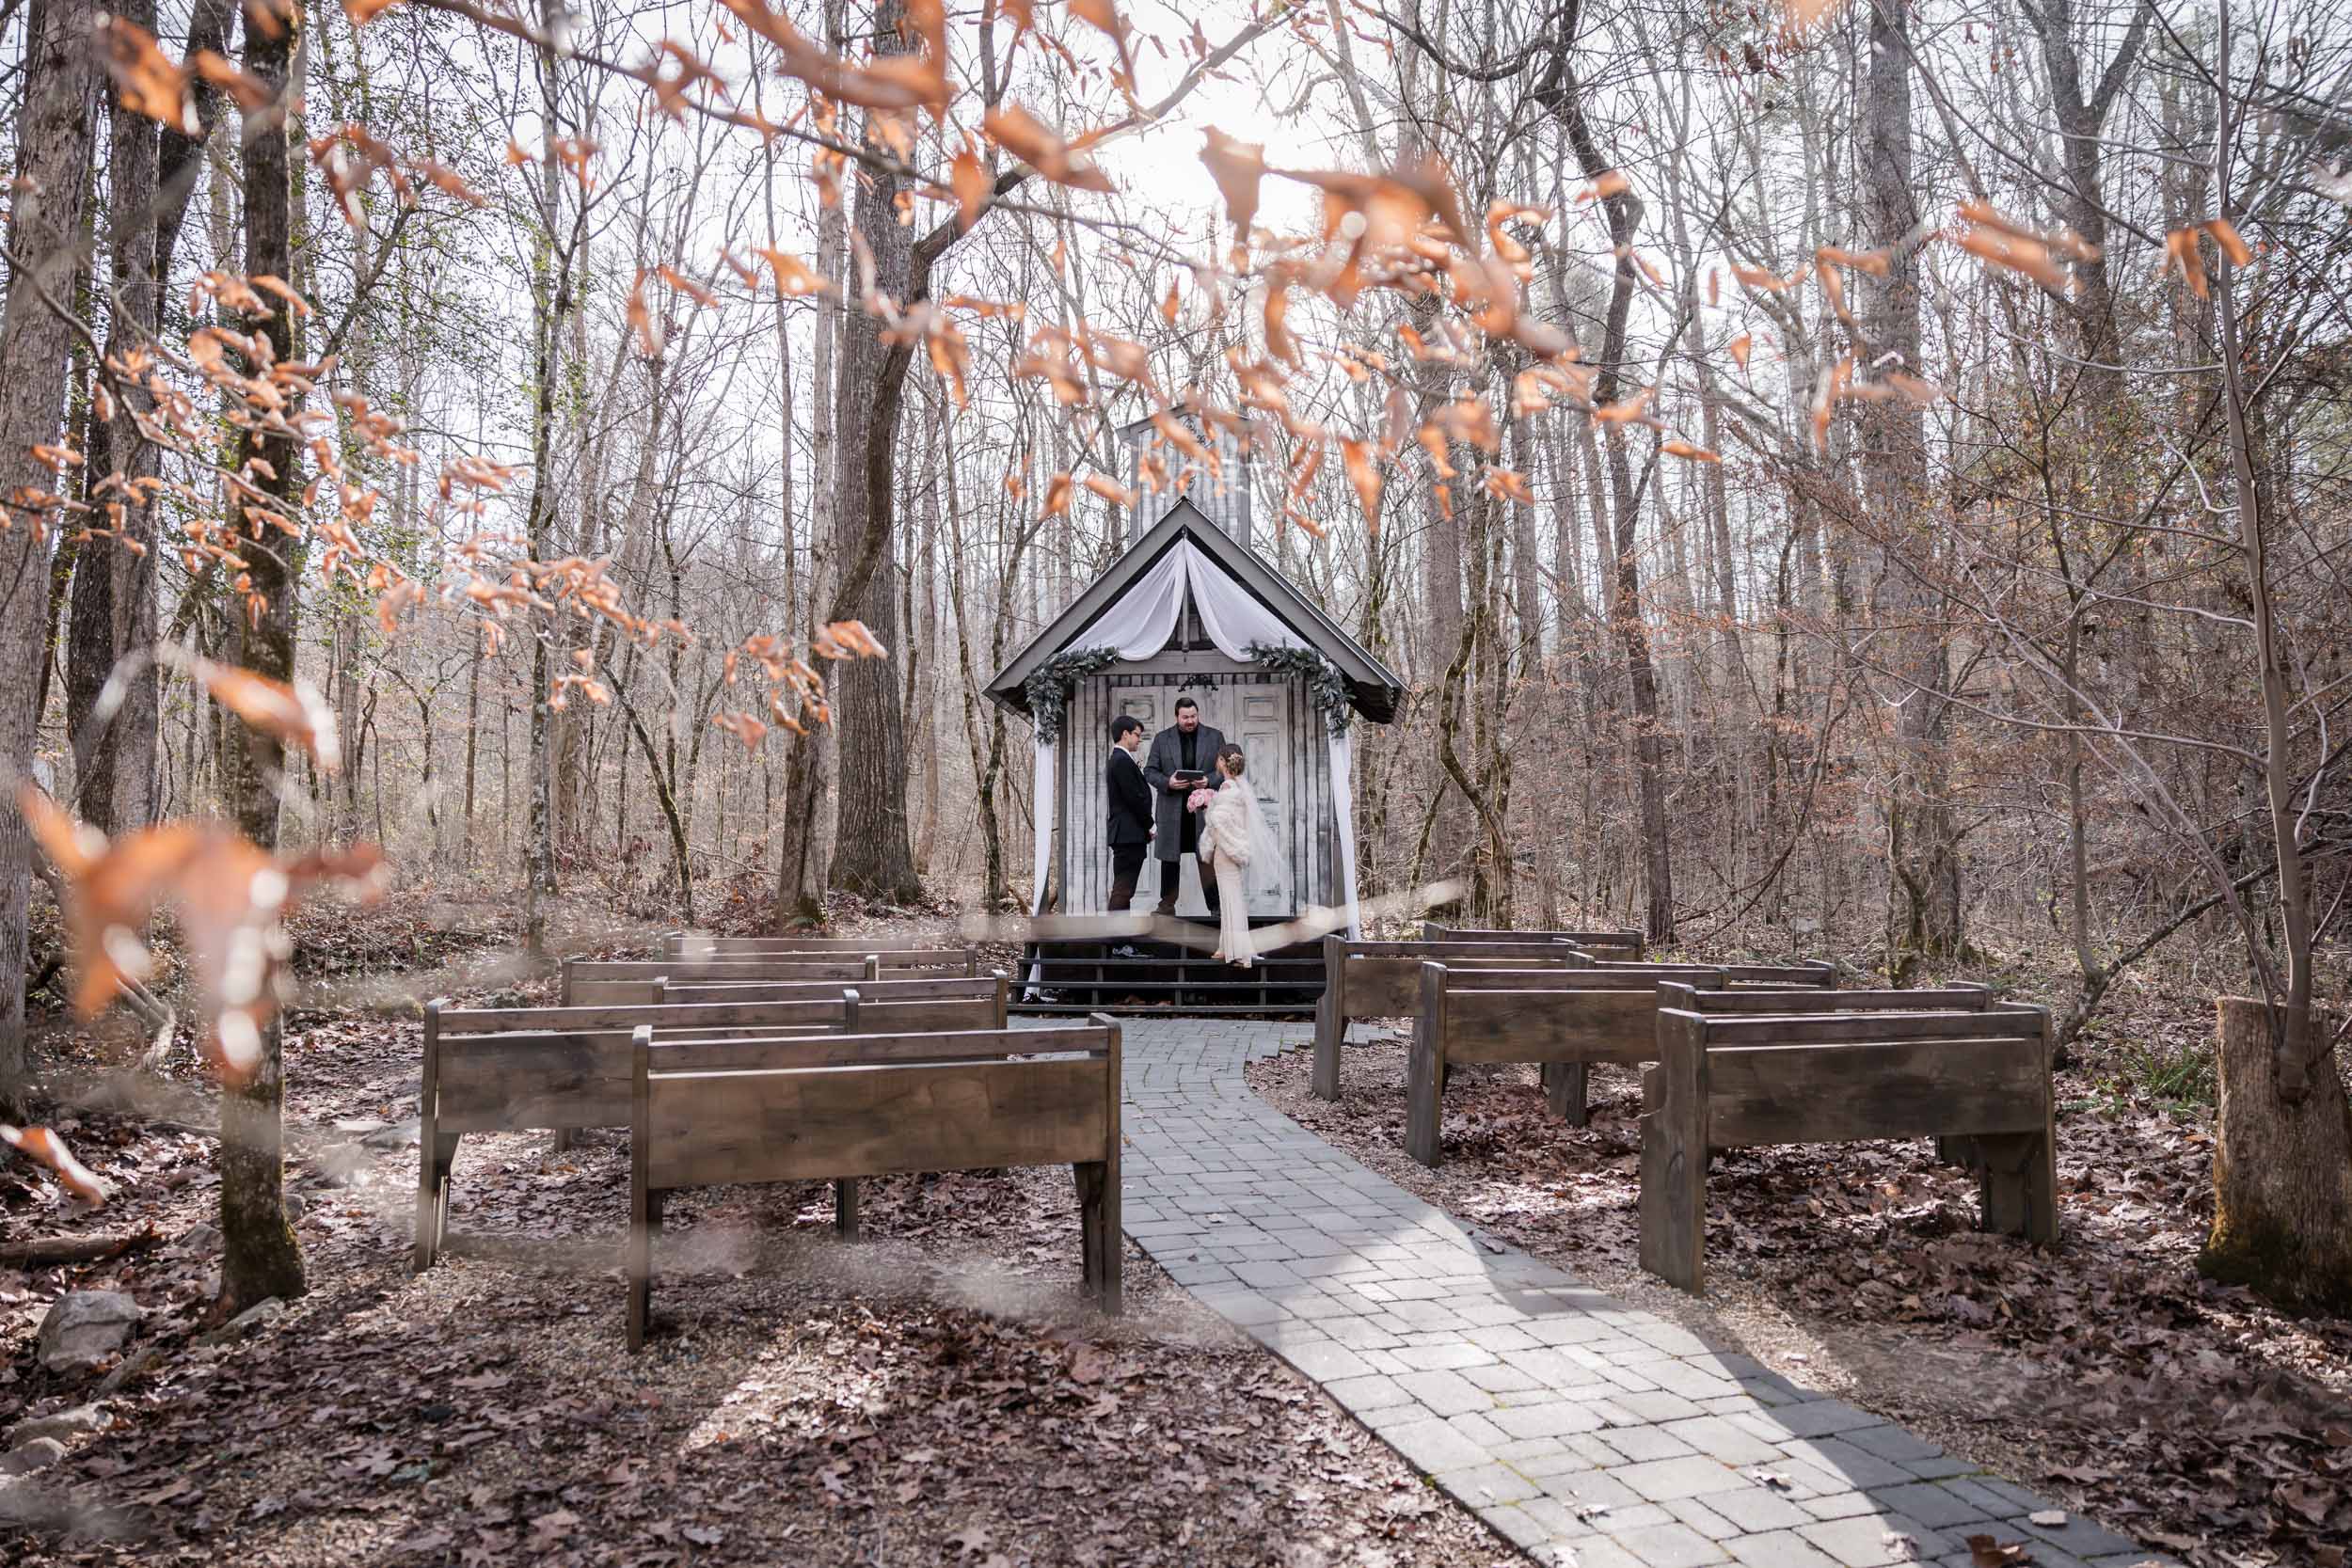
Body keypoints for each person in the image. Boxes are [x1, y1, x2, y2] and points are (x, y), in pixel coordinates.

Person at [1143, 695, 1226, 918]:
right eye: (1185, 717)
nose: (1190, 721)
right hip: (1172, 810)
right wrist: (1168, 782)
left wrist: (1209, 781)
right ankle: (1166, 906)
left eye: (1193, 716)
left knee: (1207, 857)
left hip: (1204, 810)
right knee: (1170, 860)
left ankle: (1216, 907)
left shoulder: (1215, 737)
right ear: (1177, 716)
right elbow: (1150, 771)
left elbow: (1225, 770)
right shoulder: (1162, 739)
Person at [1200, 743, 1277, 967]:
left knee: (1230, 899)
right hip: (1231, 851)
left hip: (1225, 853)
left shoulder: (1227, 787)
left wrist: (1208, 808)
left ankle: (1237, 950)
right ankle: (1226, 946)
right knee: (1230, 899)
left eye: (1218, 759)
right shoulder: (1239, 786)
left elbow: (1220, 820)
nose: (1216, 763)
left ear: (1223, 762)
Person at [1104, 715, 1153, 912]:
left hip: (1128, 834)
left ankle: (1121, 940)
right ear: (1125, 734)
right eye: (1136, 735)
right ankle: (1116, 941)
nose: (1139, 739)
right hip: (1128, 835)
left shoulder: (1121, 759)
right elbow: (1134, 798)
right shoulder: (1121, 760)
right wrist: (1150, 824)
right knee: (1123, 890)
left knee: (1125, 890)